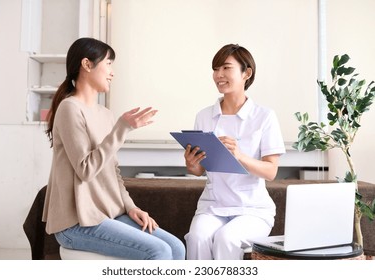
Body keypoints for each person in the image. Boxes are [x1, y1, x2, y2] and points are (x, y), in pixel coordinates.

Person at [42, 37, 185, 260]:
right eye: (108, 63)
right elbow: (85, 169)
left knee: (177, 248)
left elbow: (113, 173)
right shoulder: (69, 108)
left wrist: (131, 207)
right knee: (159, 251)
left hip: (107, 215)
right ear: (87, 64)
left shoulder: (106, 114)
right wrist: (123, 128)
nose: (112, 72)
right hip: (76, 223)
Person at [184, 44, 286, 260]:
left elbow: (271, 171)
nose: (218, 75)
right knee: (197, 238)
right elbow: (198, 170)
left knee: (226, 239)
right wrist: (192, 165)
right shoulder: (204, 116)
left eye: (226, 68)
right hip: (213, 206)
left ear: (246, 73)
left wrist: (239, 156)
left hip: (252, 209)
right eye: (215, 69)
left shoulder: (264, 116)